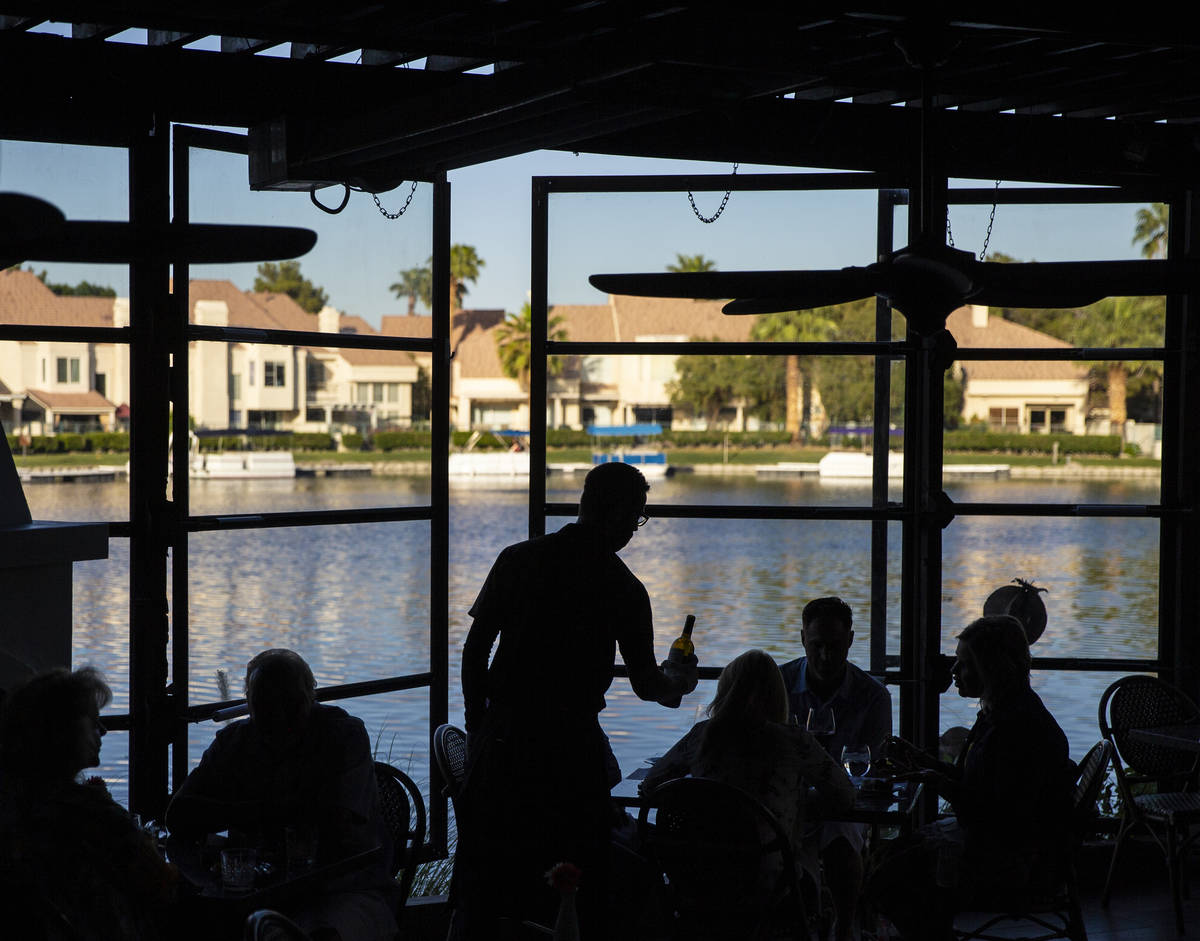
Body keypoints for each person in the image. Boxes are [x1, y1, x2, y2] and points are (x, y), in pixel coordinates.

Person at [456, 461, 699, 938]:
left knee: (491, 878)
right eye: (637, 518)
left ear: (584, 502)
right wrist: (680, 682)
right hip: (570, 750)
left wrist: (476, 722)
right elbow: (647, 684)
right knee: (572, 881)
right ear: (622, 514)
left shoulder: (517, 559)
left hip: (503, 743)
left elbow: (474, 650)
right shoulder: (624, 587)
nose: (635, 529)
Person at [866, 615, 1077, 940]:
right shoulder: (1008, 714)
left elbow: (991, 814)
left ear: (992, 668)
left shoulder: (1015, 730)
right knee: (889, 863)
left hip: (1010, 865)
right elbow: (983, 789)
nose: (952, 671)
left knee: (888, 876)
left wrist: (935, 780)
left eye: (964, 664)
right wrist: (926, 763)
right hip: (1011, 848)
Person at [165, 649, 395, 941]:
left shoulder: (342, 736)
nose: (279, 715)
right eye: (266, 704)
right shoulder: (234, 742)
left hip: (346, 889)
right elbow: (179, 813)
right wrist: (272, 810)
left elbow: (334, 824)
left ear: (312, 697)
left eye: (290, 702)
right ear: (248, 703)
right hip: (261, 894)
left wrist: (240, 814)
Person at [640, 649, 855, 889]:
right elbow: (844, 795)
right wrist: (798, 799)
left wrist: (696, 794)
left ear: (725, 692)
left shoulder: (702, 735)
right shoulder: (795, 741)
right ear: (777, 695)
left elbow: (651, 785)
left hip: (699, 879)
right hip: (768, 883)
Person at [0, 666, 176, 941]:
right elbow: (161, 885)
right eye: (93, 722)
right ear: (62, 731)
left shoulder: (15, 804)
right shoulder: (92, 813)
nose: (103, 730)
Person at [779, 596, 891, 941]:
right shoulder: (779, 683)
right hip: (789, 797)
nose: (826, 656)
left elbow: (874, 767)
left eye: (835, 646)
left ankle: (843, 924)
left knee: (839, 829)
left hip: (844, 802)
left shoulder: (873, 695)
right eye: (817, 646)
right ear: (802, 640)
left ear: (851, 641)